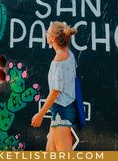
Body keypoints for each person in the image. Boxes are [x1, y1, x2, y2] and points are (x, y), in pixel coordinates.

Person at [31, 21, 77, 151]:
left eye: (48, 32)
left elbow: (56, 91)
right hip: (61, 111)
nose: (46, 34)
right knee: (50, 152)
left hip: (61, 112)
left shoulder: (58, 62)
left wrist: (40, 114)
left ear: (53, 38)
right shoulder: (69, 54)